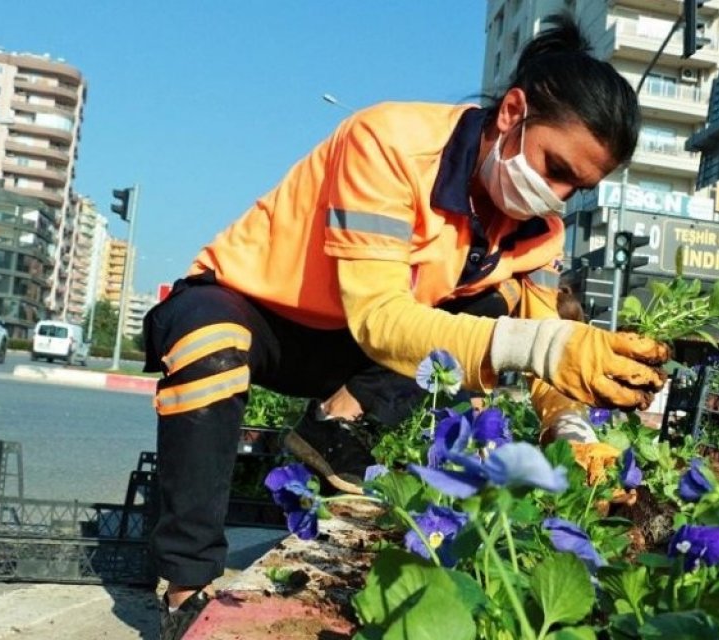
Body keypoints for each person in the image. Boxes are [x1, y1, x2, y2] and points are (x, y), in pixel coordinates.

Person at [143, 15, 669, 639]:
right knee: (211, 341)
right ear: (512, 113)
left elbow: (544, 349)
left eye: (575, 188)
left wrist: (575, 430)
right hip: (255, 310)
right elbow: (380, 318)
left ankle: (336, 429)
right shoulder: (391, 142)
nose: (555, 196)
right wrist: (545, 344)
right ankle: (185, 583)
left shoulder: (536, 234)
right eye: (555, 167)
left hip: (348, 351)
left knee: (497, 298)